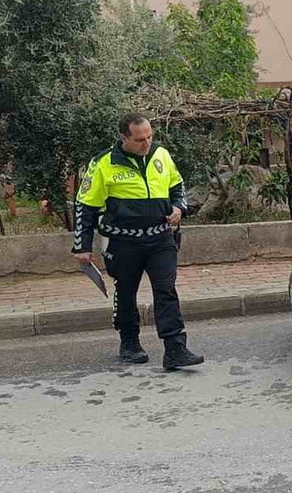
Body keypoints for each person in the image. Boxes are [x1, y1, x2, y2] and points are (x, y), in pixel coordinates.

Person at [72, 112, 204, 371]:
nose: (146, 144)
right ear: (124, 138)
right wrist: (82, 246)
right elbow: (85, 206)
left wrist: (179, 208)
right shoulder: (103, 163)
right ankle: (130, 343)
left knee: (166, 290)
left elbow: (177, 187)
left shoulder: (161, 155)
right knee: (126, 292)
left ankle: (175, 349)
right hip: (123, 242)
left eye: (150, 137)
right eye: (140, 139)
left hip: (160, 237)